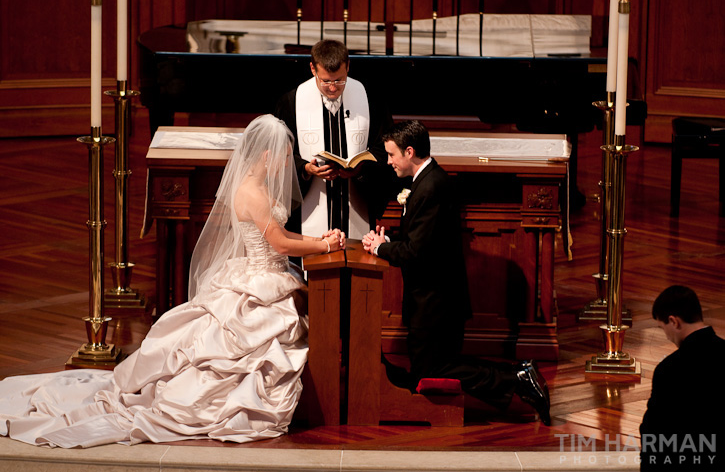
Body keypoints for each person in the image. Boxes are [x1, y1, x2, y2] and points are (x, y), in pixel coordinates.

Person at [0, 115, 345, 448]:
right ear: (267, 154)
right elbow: (279, 244)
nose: (287, 165)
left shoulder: (256, 185)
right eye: (285, 157)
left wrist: (318, 239)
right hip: (261, 279)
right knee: (251, 344)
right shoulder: (253, 192)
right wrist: (324, 244)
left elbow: (280, 234)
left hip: (268, 274)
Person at [362, 120, 551, 425]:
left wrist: (380, 249)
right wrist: (387, 240)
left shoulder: (432, 187)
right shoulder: (426, 182)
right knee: (436, 367)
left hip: (436, 302)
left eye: (392, 154)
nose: (389, 161)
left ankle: (515, 378)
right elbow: (420, 238)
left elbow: (416, 252)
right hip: (432, 299)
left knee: (434, 370)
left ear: (410, 152)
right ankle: (517, 375)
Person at [274, 39, 395, 241]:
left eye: (339, 80)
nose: (332, 88)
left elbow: (385, 146)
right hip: (309, 202)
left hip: (357, 197)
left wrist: (361, 169)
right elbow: (278, 151)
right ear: (313, 68)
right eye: (326, 81)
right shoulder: (291, 102)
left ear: (348, 66)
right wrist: (305, 169)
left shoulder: (369, 100)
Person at [639, 285, 724, 471]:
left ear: (674, 321)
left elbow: (654, 432)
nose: (668, 337)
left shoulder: (669, 369)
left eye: (663, 329)